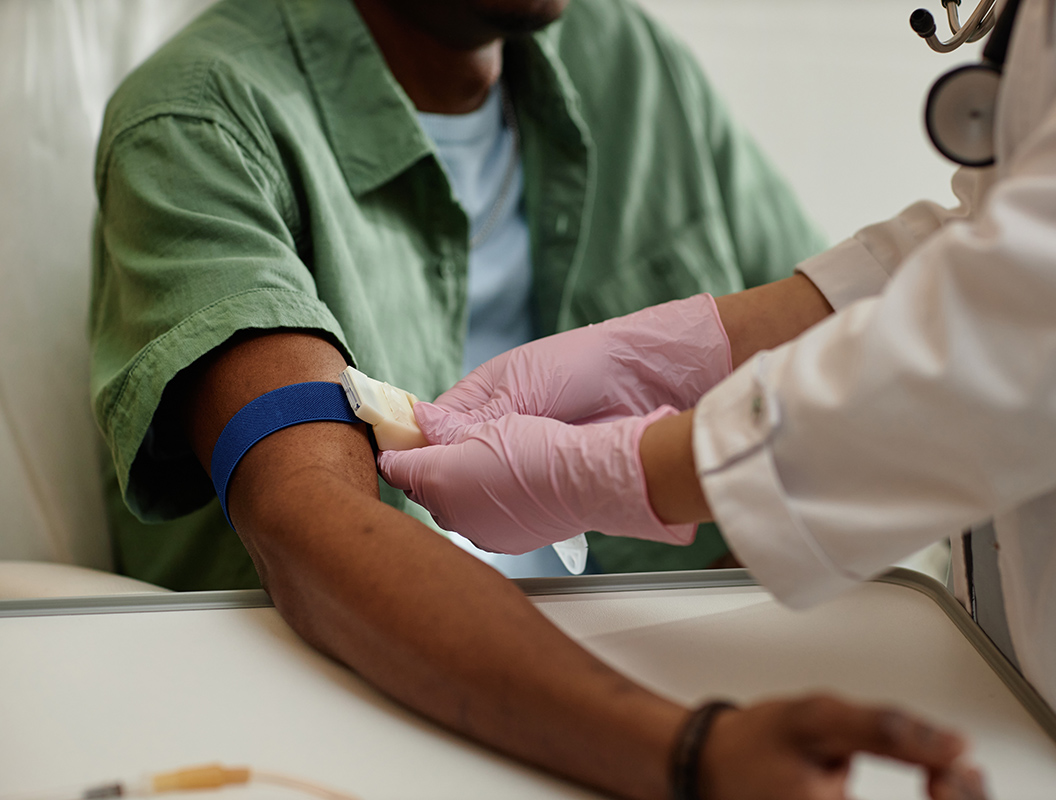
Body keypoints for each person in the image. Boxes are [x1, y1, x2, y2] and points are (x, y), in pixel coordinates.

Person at [89, 0, 984, 797]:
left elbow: (864, 342)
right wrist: (691, 752)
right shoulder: (200, 122)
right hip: (361, 703)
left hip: (680, 667)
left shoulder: (626, 59)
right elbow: (307, 522)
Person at [380, 0, 1056, 756]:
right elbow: (992, 245)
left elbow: (1022, 325)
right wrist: (687, 348)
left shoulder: (626, 58)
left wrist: (634, 470)